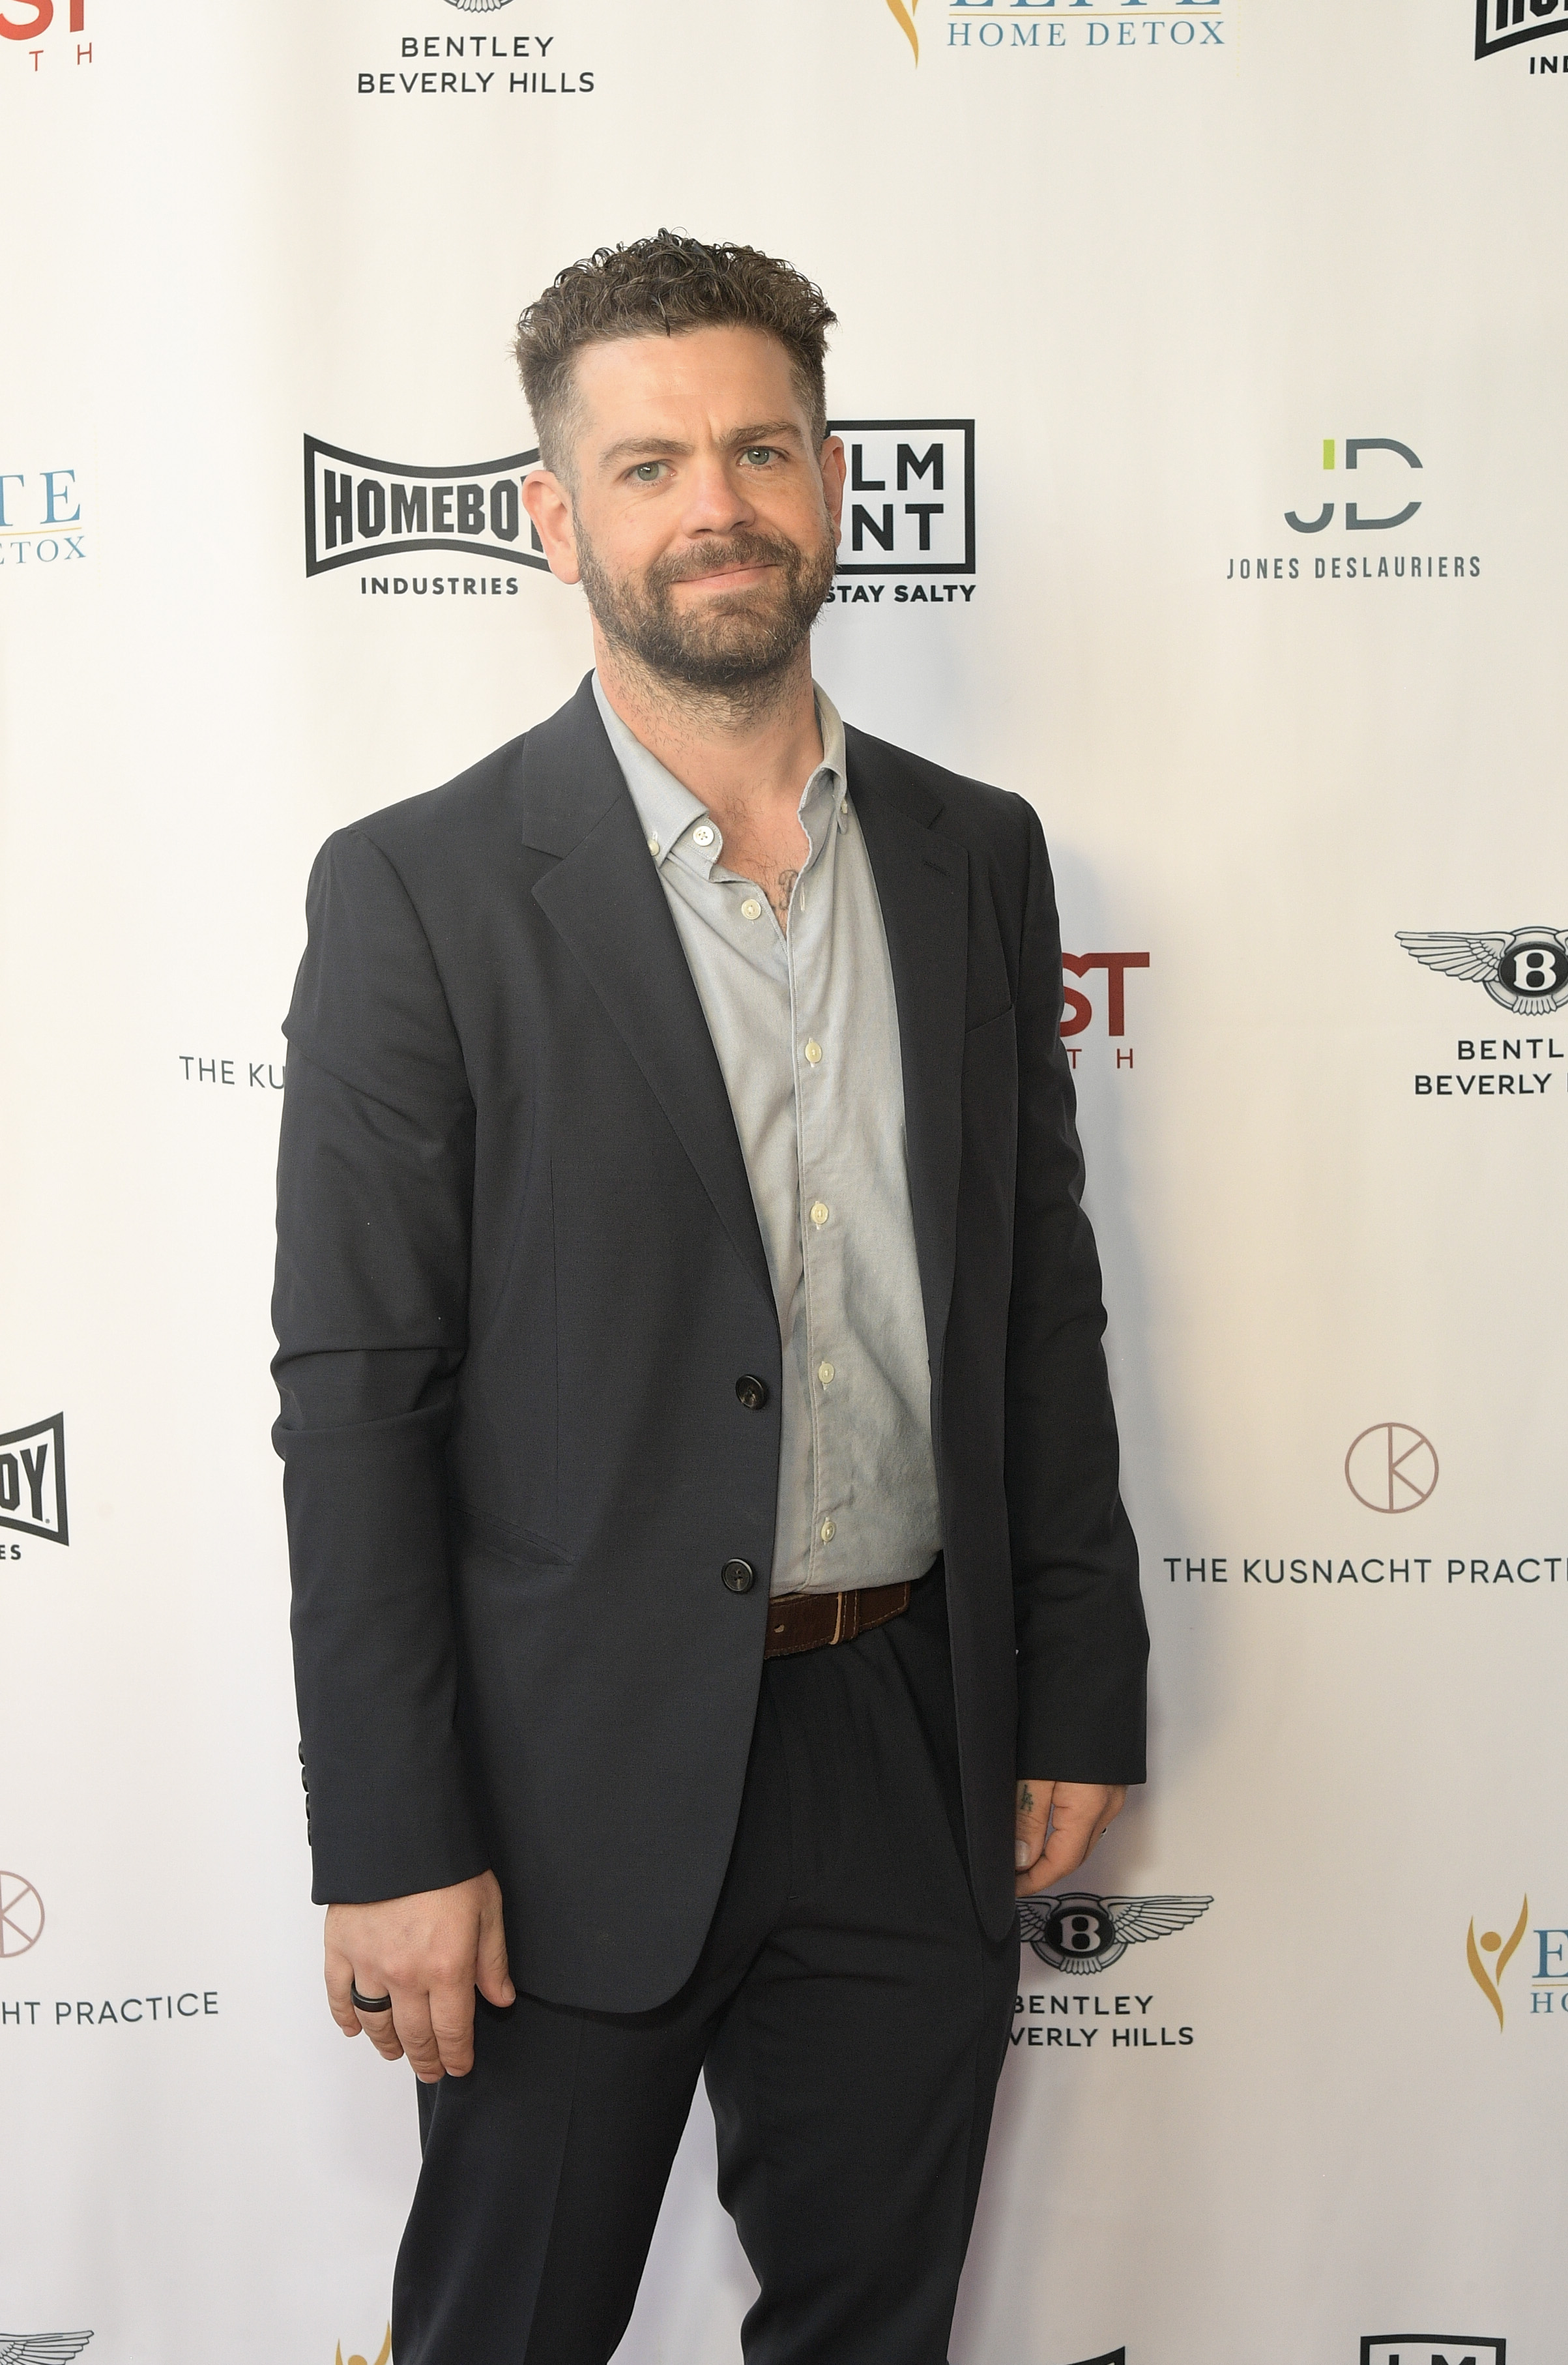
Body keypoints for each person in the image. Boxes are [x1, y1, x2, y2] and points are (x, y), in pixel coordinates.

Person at [272, 231, 1147, 2365]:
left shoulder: (974, 854)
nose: (717, 506)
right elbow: (359, 1396)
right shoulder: (418, 890)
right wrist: (392, 1835)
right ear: (556, 516)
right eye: (649, 465)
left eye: (761, 450)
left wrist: (1076, 1680)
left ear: (830, 481)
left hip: (909, 1735)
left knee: (876, 2331)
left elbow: (1038, 1297)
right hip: (563, 1773)